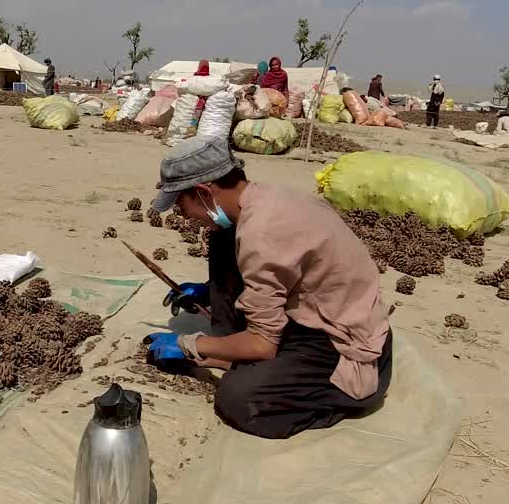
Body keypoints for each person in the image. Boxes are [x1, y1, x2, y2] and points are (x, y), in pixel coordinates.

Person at [145, 137, 392, 439]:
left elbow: (263, 344)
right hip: (319, 310)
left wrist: (190, 344)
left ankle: (333, 395)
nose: (184, 217)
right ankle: (238, 351)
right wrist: (210, 291)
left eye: (182, 206)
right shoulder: (265, 198)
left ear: (203, 193)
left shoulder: (261, 234)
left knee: (239, 399)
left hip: (343, 344)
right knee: (223, 236)